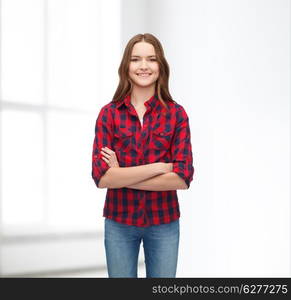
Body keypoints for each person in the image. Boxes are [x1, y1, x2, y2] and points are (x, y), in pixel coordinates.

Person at [91, 33, 194, 278]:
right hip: (119, 222)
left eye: (152, 59)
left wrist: (121, 175)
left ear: (161, 67)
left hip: (164, 222)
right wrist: (160, 166)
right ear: (127, 66)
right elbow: (102, 178)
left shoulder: (177, 115)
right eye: (136, 59)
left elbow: (182, 178)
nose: (144, 66)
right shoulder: (109, 114)